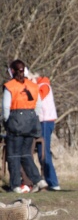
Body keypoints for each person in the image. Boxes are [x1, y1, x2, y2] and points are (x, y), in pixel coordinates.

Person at [2, 60, 48, 193]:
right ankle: (39, 180)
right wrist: (33, 118)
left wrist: (6, 120)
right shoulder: (33, 86)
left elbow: (6, 106)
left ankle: (15, 185)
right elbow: (38, 105)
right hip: (31, 122)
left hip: (16, 121)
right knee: (26, 154)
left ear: (12, 71)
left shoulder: (10, 86)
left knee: (14, 155)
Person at [26, 71, 61, 191]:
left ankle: (53, 182)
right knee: (39, 152)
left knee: (43, 153)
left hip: (45, 121)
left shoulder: (44, 85)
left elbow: (37, 99)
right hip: (40, 121)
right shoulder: (39, 85)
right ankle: (44, 180)